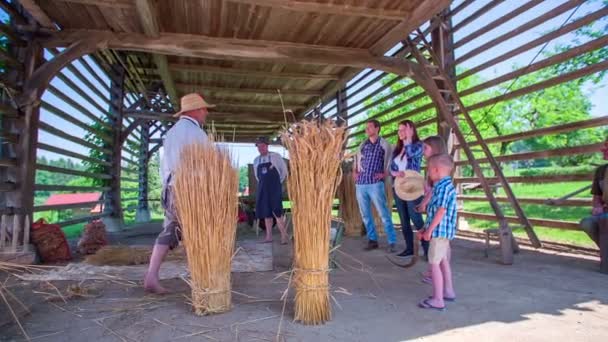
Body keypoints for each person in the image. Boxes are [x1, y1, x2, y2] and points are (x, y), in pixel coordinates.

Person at [144, 93, 213, 294]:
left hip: (170, 187)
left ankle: (151, 275)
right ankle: (202, 278)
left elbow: (165, 165)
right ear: (196, 110)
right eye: (204, 109)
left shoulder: (172, 132)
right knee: (196, 232)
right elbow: (205, 167)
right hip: (190, 190)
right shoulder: (196, 134)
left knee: (170, 230)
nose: (206, 113)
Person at [417, 154, 457, 311]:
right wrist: (425, 229)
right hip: (443, 232)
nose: (428, 174)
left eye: (429, 171)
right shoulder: (445, 186)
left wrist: (430, 231)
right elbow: (434, 211)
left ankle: (438, 299)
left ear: (436, 169)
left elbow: (440, 211)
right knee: (443, 261)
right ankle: (448, 291)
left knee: (434, 264)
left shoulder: (442, 188)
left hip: (439, 232)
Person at [354, 120, 397, 252]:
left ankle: (392, 241)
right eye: (366, 127)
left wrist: (385, 174)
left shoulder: (384, 145)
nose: (366, 130)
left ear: (377, 129)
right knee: (365, 214)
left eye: (369, 127)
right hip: (361, 184)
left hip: (375, 184)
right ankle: (372, 240)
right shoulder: (363, 145)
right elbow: (357, 160)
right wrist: (355, 172)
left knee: (383, 213)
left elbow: (391, 161)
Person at [390, 120, 425, 257]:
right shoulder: (397, 149)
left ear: (411, 130)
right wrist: (395, 173)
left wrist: (409, 139)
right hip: (399, 188)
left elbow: (411, 154)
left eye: (403, 130)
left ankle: (427, 248)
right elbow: (392, 168)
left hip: (413, 188)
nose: (400, 133)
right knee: (404, 220)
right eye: (399, 130)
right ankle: (409, 248)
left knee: (416, 219)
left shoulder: (418, 145)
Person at [417, 135, 448, 283]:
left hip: (439, 218)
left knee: (440, 248)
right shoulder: (433, 168)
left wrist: (424, 202)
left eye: (426, 148)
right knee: (439, 247)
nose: (423, 151)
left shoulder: (439, 171)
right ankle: (435, 273)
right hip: (433, 213)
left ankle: (436, 274)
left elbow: (434, 192)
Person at [253, 136, 289, 244]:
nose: (261, 148)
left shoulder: (275, 157)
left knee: (277, 212)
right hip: (263, 188)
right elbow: (257, 176)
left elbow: (284, 172)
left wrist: (277, 183)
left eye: (262, 146)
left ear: (267, 146)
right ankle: (269, 237)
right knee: (266, 212)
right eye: (259, 146)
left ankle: (284, 236)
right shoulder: (256, 160)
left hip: (274, 188)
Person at [580, 139, 608, 248]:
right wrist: (598, 206)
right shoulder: (601, 171)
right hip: (605, 214)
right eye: (605, 147)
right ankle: (606, 253)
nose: (603, 150)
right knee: (587, 223)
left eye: (607, 148)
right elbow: (597, 197)